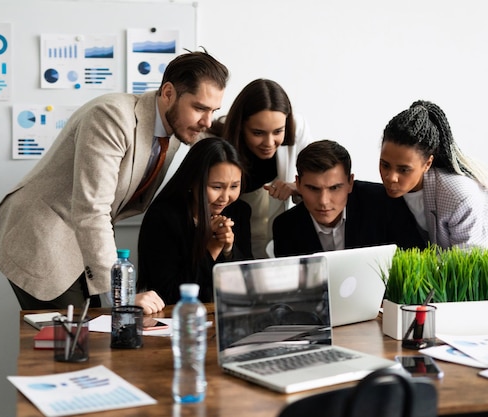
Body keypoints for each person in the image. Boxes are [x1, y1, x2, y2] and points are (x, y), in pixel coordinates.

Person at [0, 51, 229, 312]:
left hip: (79, 243)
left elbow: (218, 150)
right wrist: (123, 295)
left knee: (94, 337)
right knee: (77, 343)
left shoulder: (177, 125)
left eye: (213, 110)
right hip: (42, 237)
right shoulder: (111, 117)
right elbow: (93, 209)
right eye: (200, 108)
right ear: (168, 93)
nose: (207, 120)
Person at [379, 100, 488, 248]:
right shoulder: (393, 195)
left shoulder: (458, 196)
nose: (390, 177)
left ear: (427, 164)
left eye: (404, 169)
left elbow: (470, 260)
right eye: (385, 165)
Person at [136, 137, 253, 304]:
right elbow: (167, 294)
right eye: (217, 187)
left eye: (234, 186)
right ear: (192, 180)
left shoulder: (239, 211)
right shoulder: (163, 217)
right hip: (179, 317)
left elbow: (249, 285)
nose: (225, 198)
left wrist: (228, 250)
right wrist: (210, 250)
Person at [211, 79, 313, 258]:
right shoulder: (214, 144)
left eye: (278, 132)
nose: (268, 143)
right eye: (258, 133)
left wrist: (297, 187)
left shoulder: (297, 129)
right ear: (241, 125)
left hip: (276, 233)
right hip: (232, 235)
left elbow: (317, 180)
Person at [273, 140, 426, 257]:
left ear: (350, 183)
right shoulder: (285, 228)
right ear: (298, 184)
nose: (323, 201)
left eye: (334, 188)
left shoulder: (384, 203)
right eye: (313, 188)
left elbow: (416, 263)